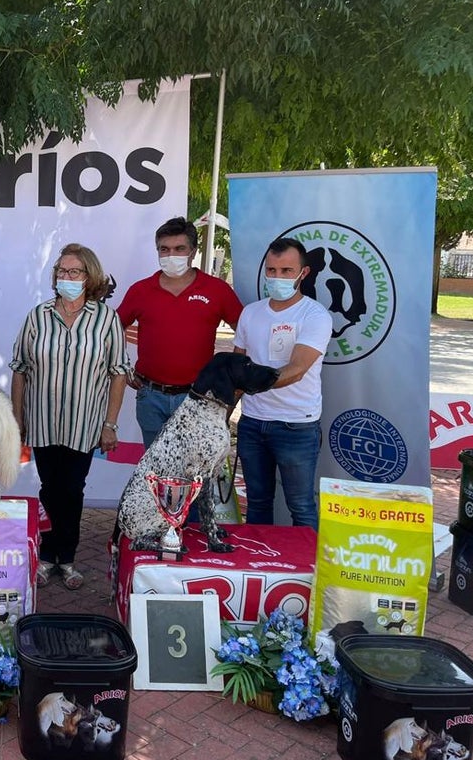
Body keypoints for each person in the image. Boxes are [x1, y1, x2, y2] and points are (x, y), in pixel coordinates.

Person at [11, 244, 128, 590]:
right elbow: (19, 370)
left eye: (74, 272)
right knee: (50, 487)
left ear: (89, 276)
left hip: (84, 422)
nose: (67, 278)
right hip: (43, 421)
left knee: (73, 489)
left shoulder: (106, 319)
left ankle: (69, 558)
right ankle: (48, 557)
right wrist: (17, 420)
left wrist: (110, 423)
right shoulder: (38, 315)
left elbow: (118, 372)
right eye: (61, 271)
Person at [116, 216, 243, 450]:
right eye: (164, 249)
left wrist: (231, 379)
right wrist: (123, 367)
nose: (171, 255)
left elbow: (246, 333)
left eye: (179, 248)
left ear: (192, 251)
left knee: (194, 474)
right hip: (151, 396)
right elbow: (112, 331)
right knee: (154, 473)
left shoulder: (217, 290)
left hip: (198, 396)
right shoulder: (141, 290)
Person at [233, 237, 332, 530]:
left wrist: (252, 384)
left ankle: (308, 574)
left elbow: (298, 369)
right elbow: (238, 370)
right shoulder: (251, 312)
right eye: (272, 270)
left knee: (301, 506)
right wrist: (222, 415)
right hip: (252, 423)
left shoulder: (315, 316)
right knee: (258, 502)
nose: (277, 277)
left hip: (296, 425)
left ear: (304, 273)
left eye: (287, 271)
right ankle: (258, 565)